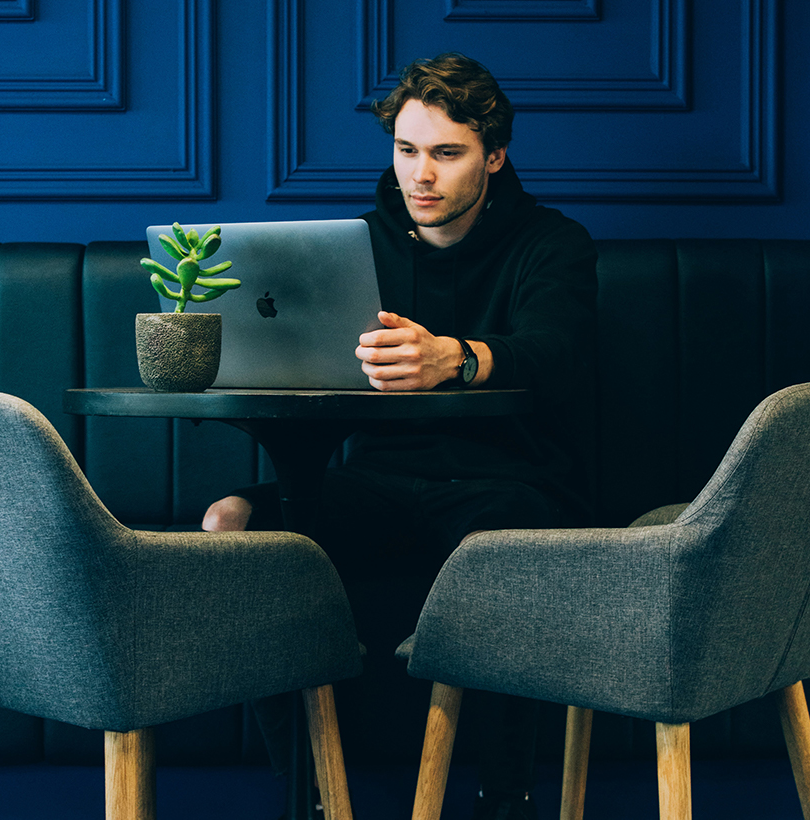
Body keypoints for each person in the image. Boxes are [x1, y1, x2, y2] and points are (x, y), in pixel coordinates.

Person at [204, 53, 597, 820]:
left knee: (504, 546)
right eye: (407, 150)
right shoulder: (356, 246)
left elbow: (557, 354)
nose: (422, 175)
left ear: (494, 156)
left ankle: (506, 796)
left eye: (447, 154)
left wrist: (457, 356)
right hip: (378, 481)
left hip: (508, 483)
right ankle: (312, 795)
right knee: (229, 522)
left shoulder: (552, 244)